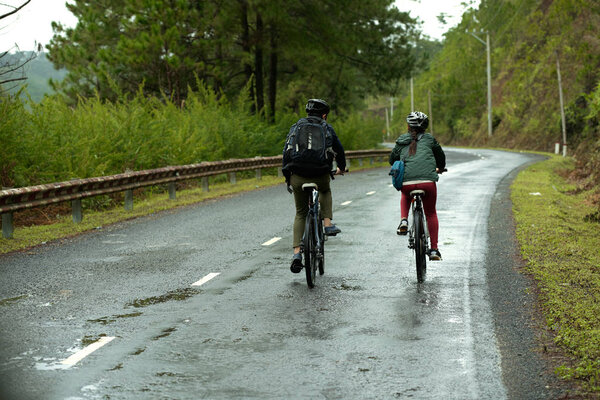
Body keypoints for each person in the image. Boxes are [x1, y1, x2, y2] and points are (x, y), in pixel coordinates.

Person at [282, 98, 347, 273]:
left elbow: (286, 152)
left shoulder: (296, 127)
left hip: (298, 174)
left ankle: (297, 253)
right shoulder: (327, 127)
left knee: (301, 212)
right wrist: (342, 167)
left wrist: (287, 175)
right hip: (319, 173)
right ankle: (327, 225)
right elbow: (339, 150)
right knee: (325, 190)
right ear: (324, 115)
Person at [389, 111, 446, 261]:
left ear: (408, 126)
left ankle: (403, 220)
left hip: (407, 184)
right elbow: (441, 158)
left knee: (405, 193)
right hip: (427, 183)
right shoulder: (430, 140)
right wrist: (440, 168)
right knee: (431, 213)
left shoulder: (401, 141)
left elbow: (392, 160)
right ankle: (434, 249)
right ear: (425, 127)